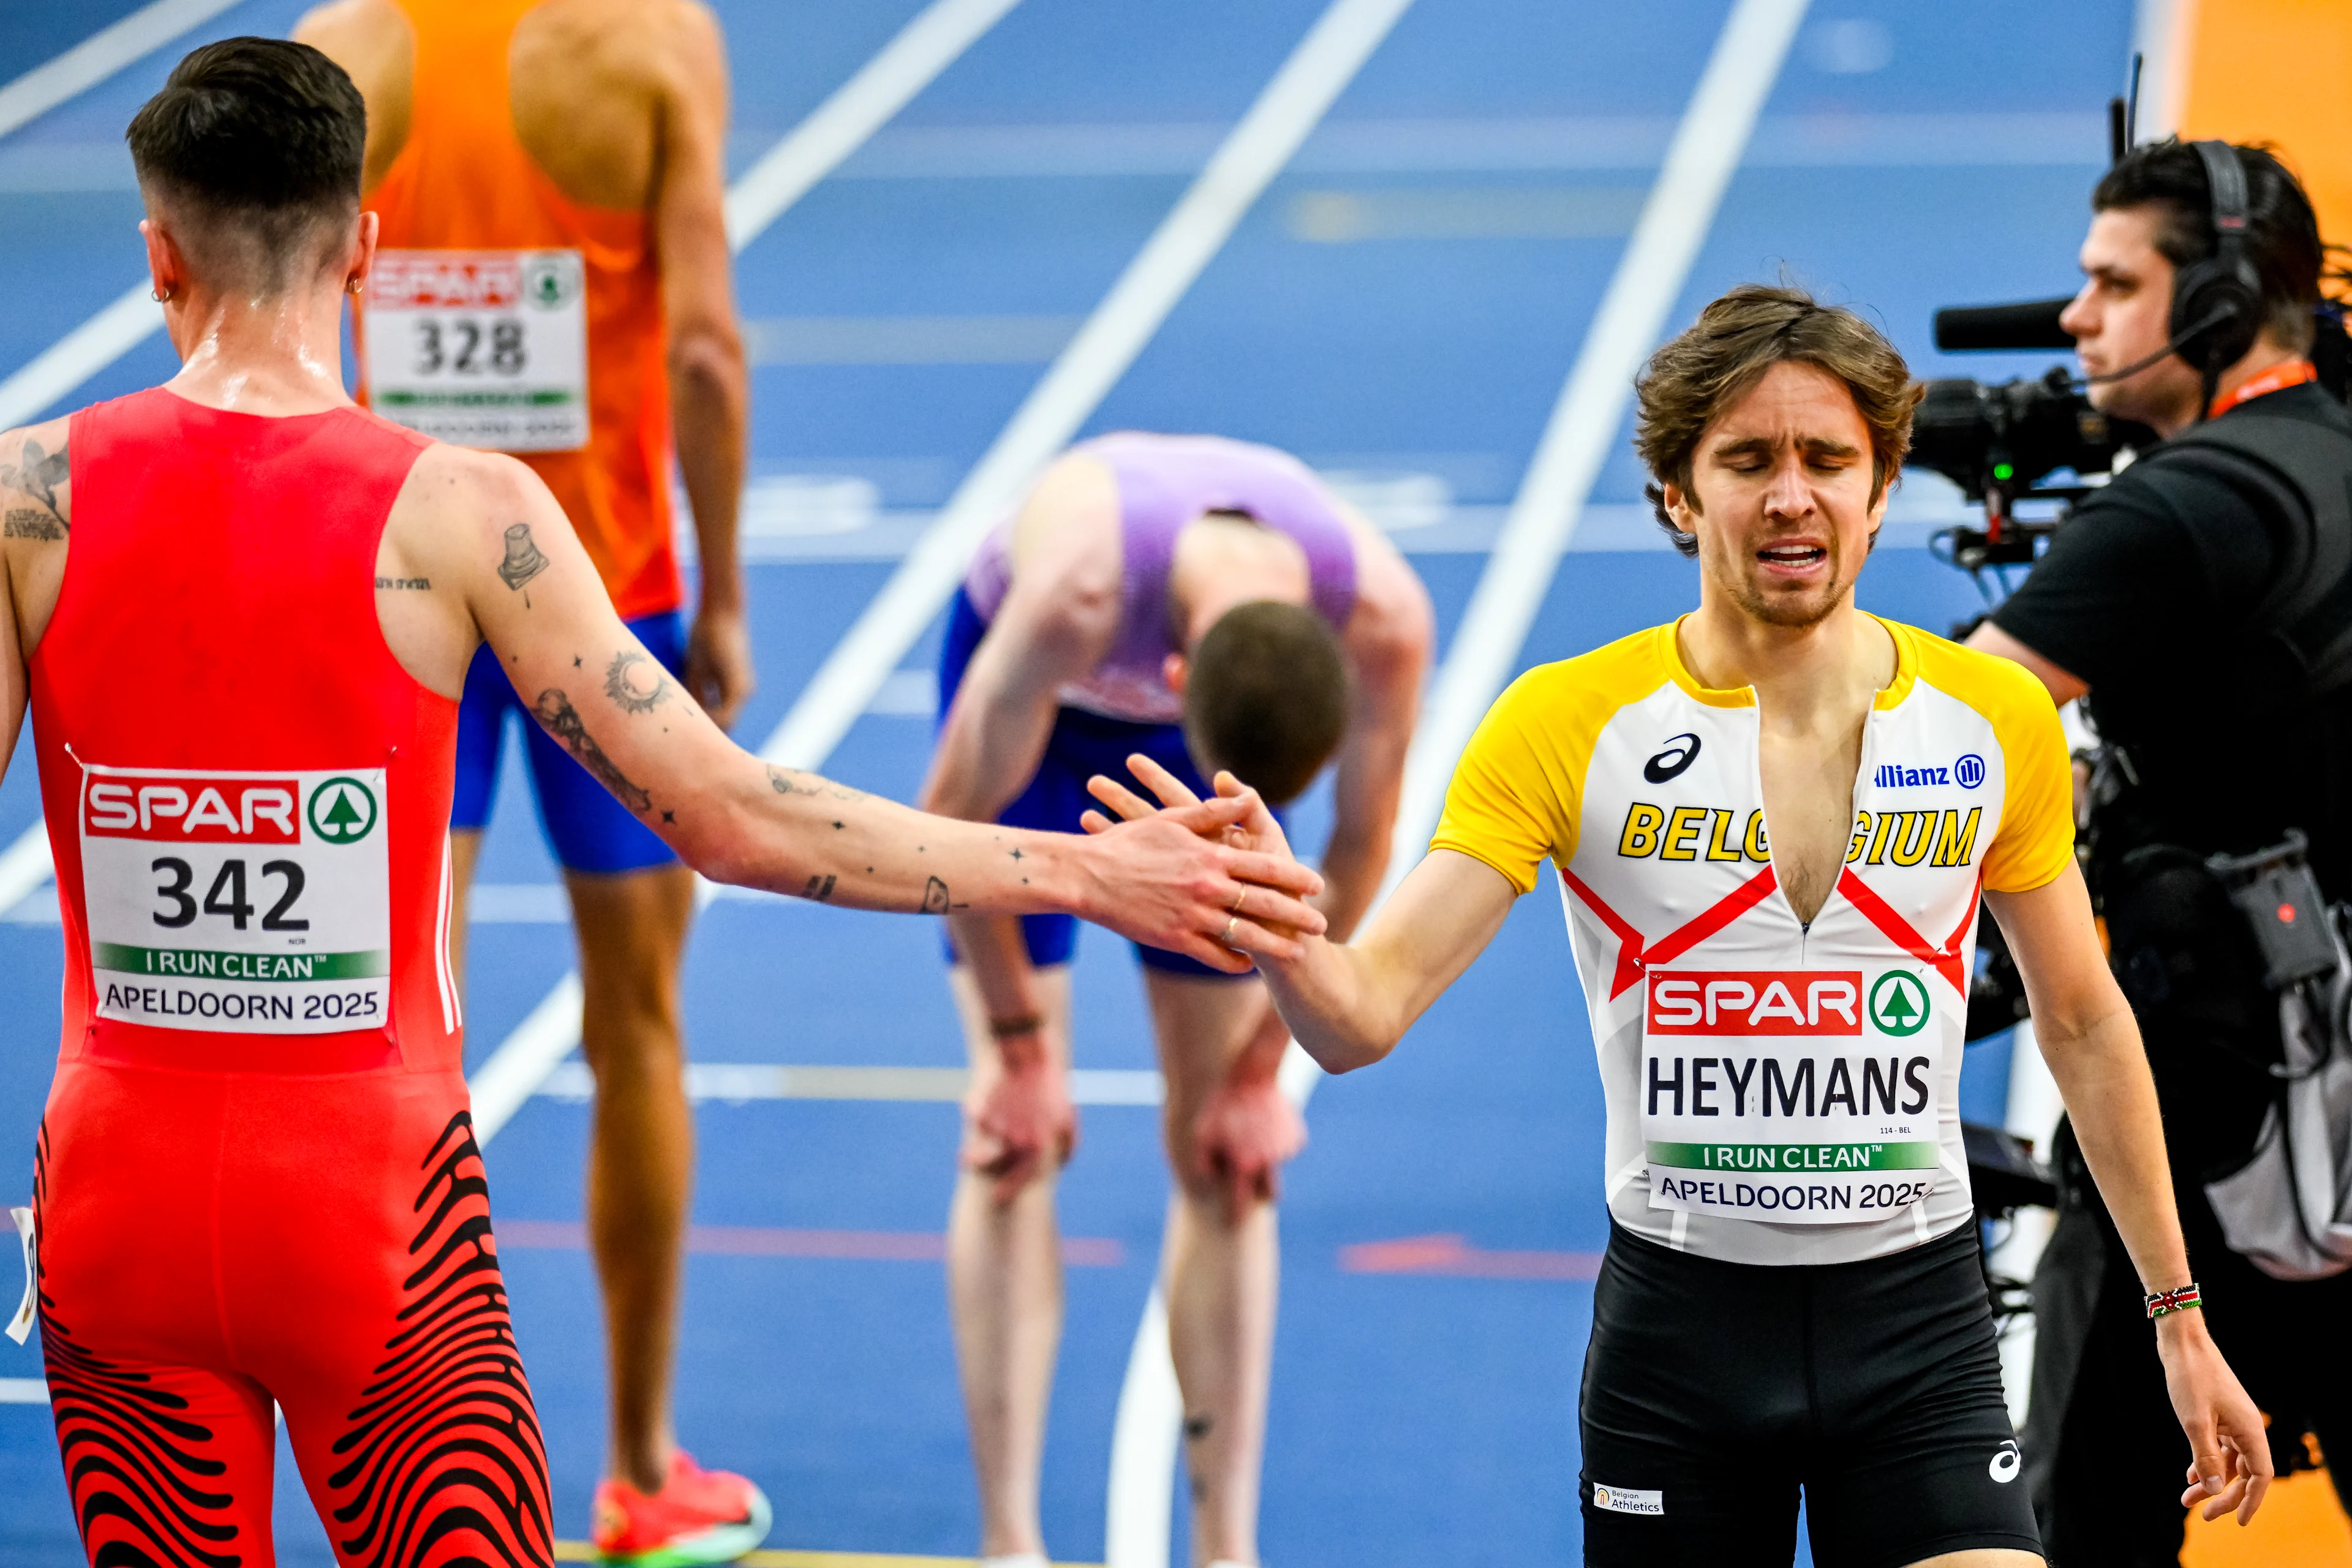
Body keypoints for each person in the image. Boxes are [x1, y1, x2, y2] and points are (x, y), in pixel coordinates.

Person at [0, 41, 1325, 1568]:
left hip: (115, 1204)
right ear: (366, 244)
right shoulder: (462, 513)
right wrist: (1087, 869)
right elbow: (734, 812)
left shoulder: (35, 496)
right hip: (375, 1223)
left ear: (155, 254)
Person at [1092, 285, 2277, 1566]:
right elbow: (1362, 1015)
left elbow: (2086, 1018)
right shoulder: (1565, 723)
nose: (1791, 495)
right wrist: (1278, 926)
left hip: (1918, 1329)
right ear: (1678, 492)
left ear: (1881, 491)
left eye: (1830, 459)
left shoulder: (1993, 721)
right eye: (1747, 460)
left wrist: (2180, 1316)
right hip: (1681, 1349)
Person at [290, 0, 758, 1555]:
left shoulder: (346, 50)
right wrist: (730, 594)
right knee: (640, 1030)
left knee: (396, 1038)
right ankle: (634, 1468)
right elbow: (700, 345)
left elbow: (274, 329)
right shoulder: (653, 49)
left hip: (399, 598)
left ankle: (408, 1478)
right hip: (602, 601)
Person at [919, 433, 1433, 1568]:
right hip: (1036, 728)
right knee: (1012, 1146)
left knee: (1227, 1157)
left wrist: (1258, 1076)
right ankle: (1010, 1543)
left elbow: (1357, 841)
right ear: (1173, 679)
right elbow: (949, 833)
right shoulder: (1076, 595)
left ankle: (1224, 1547)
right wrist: (1015, 1051)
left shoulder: (1385, 622)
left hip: (1199, 713)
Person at [1967, 137, 2352, 1563]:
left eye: (2112, 285)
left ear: (2215, 306)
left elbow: (1926, 738)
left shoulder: (2174, 512)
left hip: (2202, 1123)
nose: (2077, 321)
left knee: (2085, 1527)